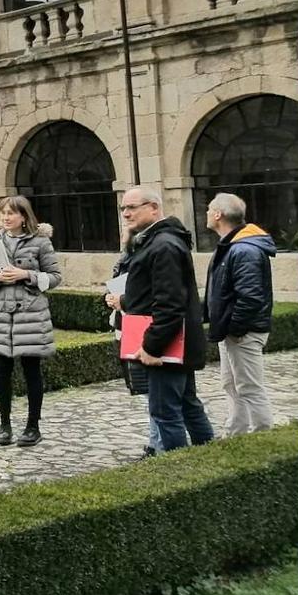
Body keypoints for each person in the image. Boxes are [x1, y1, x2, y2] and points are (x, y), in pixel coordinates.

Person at [110, 187, 213, 451]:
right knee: (188, 404)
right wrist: (125, 301)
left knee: (165, 413)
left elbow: (169, 304)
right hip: (172, 342)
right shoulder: (154, 241)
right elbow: (149, 294)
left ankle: (176, 473)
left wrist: (151, 346)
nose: (126, 213)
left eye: (133, 207)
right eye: (123, 208)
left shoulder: (163, 244)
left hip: (166, 346)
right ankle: (208, 457)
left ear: (154, 208)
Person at [0, 196, 62, 447]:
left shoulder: (41, 243)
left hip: (30, 314)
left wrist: (26, 274)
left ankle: (33, 426)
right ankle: (4, 425)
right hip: (1, 315)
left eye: (11, 213)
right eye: (3, 212)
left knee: (32, 371)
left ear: (24, 216)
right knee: (1, 372)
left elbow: (55, 277)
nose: (6, 217)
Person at [204, 192, 276, 436]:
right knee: (231, 384)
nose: (206, 213)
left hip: (242, 333)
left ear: (218, 215)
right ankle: (238, 433)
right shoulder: (233, 246)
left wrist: (234, 329)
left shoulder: (244, 250)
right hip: (233, 332)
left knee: (249, 387)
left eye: (208, 209)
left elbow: (251, 298)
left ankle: (262, 436)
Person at [109, 230, 162, 458]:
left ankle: (157, 443)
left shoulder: (144, 259)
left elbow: (144, 296)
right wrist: (111, 298)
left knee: (154, 391)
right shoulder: (125, 259)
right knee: (143, 389)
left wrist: (121, 300)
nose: (122, 235)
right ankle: (155, 439)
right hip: (126, 326)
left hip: (142, 327)